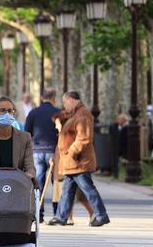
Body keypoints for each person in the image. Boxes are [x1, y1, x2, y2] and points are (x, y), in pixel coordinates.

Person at [47, 91, 110, 227]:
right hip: (72, 163)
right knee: (67, 191)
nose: (64, 106)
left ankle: (101, 215)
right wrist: (59, 120)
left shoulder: (82, 114)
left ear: (70, 100)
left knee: (87, 188)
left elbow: (83, 138)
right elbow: (61, 118)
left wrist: (71, 152)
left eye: (65, 102)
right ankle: (61, 217)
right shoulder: (74, 113)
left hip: (78, 161)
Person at [24, 88, 60, 221]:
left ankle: (39, 213)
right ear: (54, 98)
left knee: (38, 182)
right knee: (56, 181)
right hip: (53, 151)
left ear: (41, 98)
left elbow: (27, 132)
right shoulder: (57, 113)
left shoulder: (33, 113)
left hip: (37, 151)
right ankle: (57, 212)